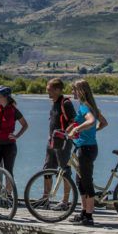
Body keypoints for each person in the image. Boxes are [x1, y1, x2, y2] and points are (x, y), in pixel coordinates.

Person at [67, 79, 108, 226]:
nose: (72, 92)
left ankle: (89, 217)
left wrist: (76, 130)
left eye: (74, 90)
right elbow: (104, 123)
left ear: (81, 91)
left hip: (86, 149)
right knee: (80, 182)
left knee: (86, 182)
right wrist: (90, 132)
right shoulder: (91, 106)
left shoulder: (85, 107)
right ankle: (83, 212)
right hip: (87, 147)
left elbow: (91, 121)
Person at [43, 78, 77, 211]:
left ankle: (65, 201)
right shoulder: (54, 103)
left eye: (50, 90)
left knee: (64, 171)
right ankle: (45, 199)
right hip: (51, 142)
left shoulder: (66, 103)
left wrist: (64, 134)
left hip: (62, 142)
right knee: (47, 170)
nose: (48, 92)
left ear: (58, 90)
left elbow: (74, 122)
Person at [0, 85, 28, 178]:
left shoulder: (13, 110)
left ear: (6, 97)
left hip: (9, 145)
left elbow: (25, 125)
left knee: (9, 172)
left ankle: (9, 192)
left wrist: (17, 136)